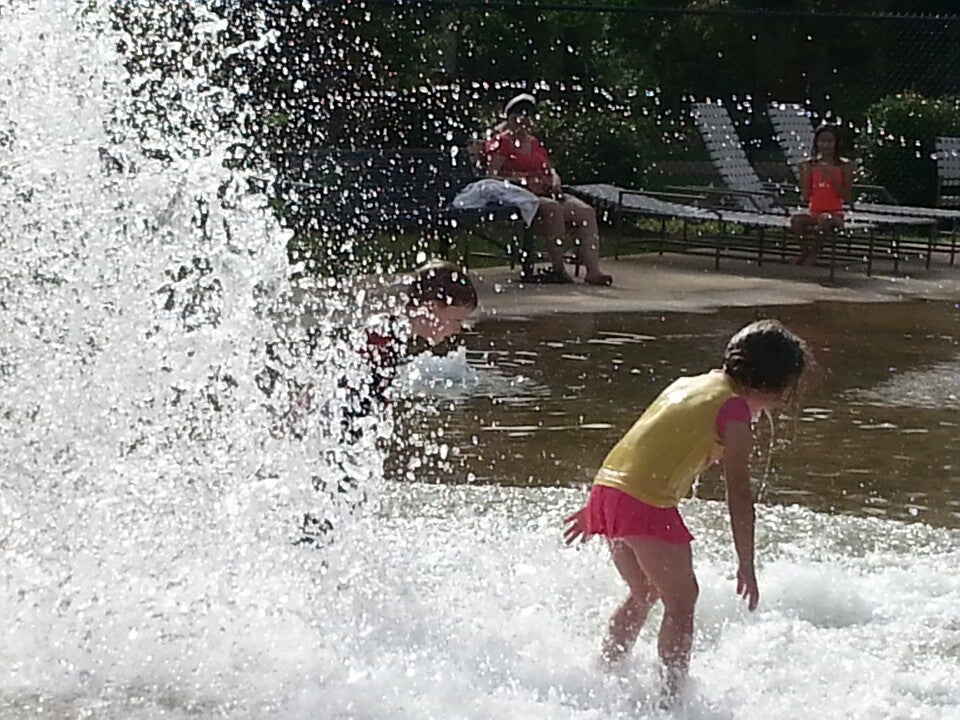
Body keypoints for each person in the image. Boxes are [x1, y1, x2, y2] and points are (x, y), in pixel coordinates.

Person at [563, 319, 808, 703]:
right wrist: (746, 562)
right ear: (774, 386)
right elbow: (739, 496)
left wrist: (597, 504)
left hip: (609, 489)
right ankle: (671, 699)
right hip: (643, 501)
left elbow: (644, 440)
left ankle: (605, 671)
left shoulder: (689, 384)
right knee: (682, 600)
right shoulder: (734, 412)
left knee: (644, 592)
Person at [269, 259, 478, 544]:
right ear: (430, 307)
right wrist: (298, 416)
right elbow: (332, 369)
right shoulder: (385, 332)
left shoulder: (396, 334)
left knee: (336, 509)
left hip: (343, 437)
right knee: (327, 508)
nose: (457, 330)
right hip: (334, 437)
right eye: (455, 320)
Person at [482, 93, 613, 286]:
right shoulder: (501, 143)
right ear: (509, 117)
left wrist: (555, 178)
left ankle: (593, 271)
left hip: (545, 191)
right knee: (553, 209)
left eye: (528, 115)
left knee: (585, 212)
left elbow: (549, 168)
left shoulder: (534, 143)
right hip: (518, 195)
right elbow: (491, 176)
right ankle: (558, 269)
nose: (524, 120)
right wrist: (523, 181)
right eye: (519, 114)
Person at [789, 124, 853, 266]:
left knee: (825, 219)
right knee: (796, 220)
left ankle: (815, 253)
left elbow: (847, 196)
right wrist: (803, 174)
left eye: (829, 141)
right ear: (816, 143)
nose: (825, 145)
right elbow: (806, 195)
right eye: (822, 141)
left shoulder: (844, 165)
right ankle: (804, 250)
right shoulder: (812, 165)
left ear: (836, 143)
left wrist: (831, 176)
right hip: (815, 212)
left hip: (835, 214)